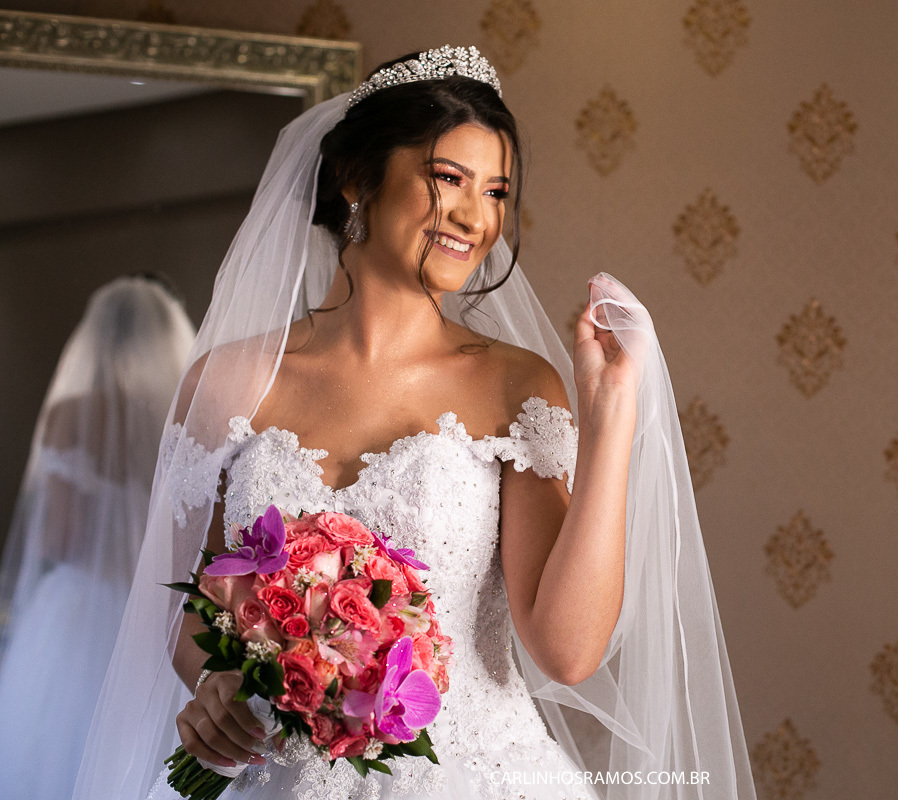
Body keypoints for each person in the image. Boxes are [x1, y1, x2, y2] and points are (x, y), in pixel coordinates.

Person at [74, 47, 757, 799]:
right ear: (355, 177)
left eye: (496, 191)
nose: (476, 216)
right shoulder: (228, 384)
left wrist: (611, 417)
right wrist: (217, 686)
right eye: (447, 178)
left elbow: (568, 653)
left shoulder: (514, 387)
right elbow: (187, 611)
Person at [0, 274, 195, 799]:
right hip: (158, 607)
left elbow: (58, 538)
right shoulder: (180, 411)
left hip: (83, 607)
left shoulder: (70, 415)